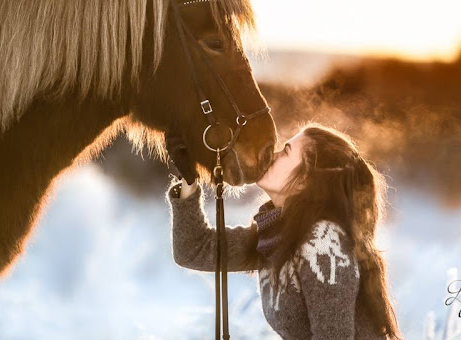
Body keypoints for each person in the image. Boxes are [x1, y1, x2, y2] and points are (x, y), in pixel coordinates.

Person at [165, 122, 402, 339]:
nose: (273, 155)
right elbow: (193, 249)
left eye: (286, 152)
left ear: (307, 180)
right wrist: (188, 178)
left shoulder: (322, 242)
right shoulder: (274, 233)